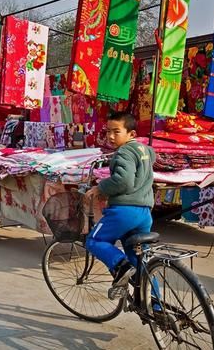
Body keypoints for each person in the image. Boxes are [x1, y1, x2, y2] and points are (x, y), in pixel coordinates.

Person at [85, 112, 156, 298]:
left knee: (94, 241)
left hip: (125, 211)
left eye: (116, 132)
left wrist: (100, 188)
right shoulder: (145, 151)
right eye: (108, 131)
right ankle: (155, 305)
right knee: (141, 262)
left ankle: (121, 266)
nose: (110, 136)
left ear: (131, 134)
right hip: (144, 212)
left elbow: (123, 181)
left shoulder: (124, 151)